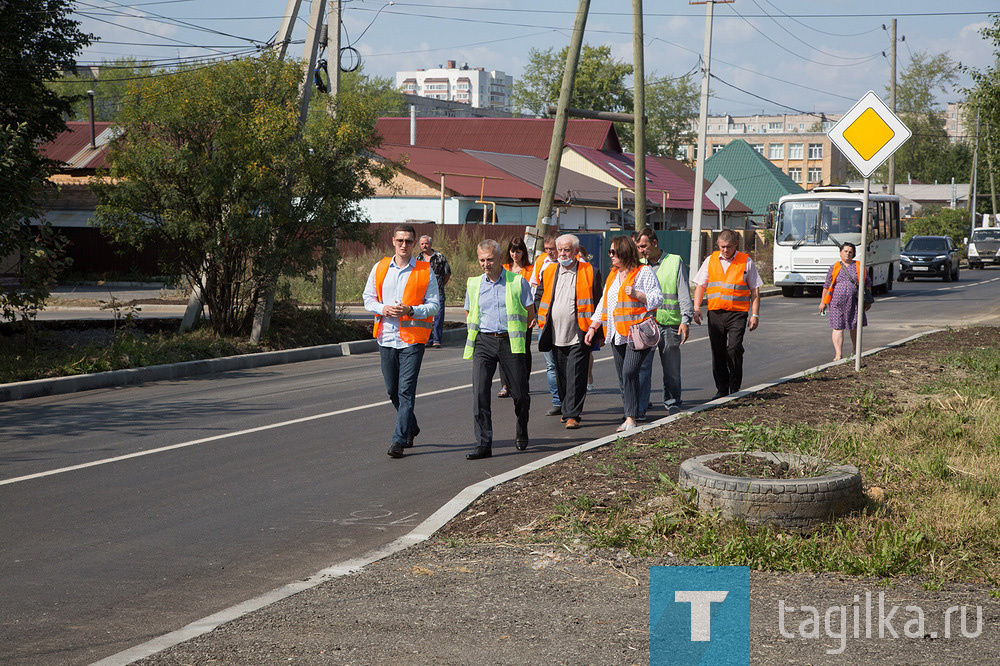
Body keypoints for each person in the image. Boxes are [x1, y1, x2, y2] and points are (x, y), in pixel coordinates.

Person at [363, 224, 440, 458]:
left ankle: (398, 440)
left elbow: (435, 305)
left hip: (412, 341)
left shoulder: (425, 270)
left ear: (414, 243)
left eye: (408, 241)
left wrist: (410, 310)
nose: (404, 245)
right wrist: (383, 308)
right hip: (386, 337)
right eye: (400, 241)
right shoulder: (381, 267)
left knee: (406, 391)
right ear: (393, 241)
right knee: (392, 390)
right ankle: (411, 426)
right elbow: (368, 298)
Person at [463, 240, 534, 460]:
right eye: (482, 260)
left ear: (499, 257)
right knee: (480, 394)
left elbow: (530, 314)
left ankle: (522, 430)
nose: (486, 264)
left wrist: (514, 331)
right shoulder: (474, 284)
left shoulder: (517, 281)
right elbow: (469, 313)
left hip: (509, 342)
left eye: (490, 259)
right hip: (483, 342)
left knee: (520, 394)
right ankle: (483, 443)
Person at [584, 235, 663, 432]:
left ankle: (631, 416)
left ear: (624, 252)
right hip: (616, 334)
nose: (610, 255)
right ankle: (631, 415)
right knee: (623, 377)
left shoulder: (643, 272)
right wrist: (593, 327)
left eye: (613, 252)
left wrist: (637, 294)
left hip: (637, 333)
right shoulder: (612, 274)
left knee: (629, 372)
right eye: (610, 252)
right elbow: (604, 303)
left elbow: (657, 298)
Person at [535, 233, 603, 430]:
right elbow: (540, 295)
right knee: (562, 375)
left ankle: (573, 415)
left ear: (575, 251)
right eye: (560, 250)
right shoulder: (549, 271)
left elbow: (599, 303)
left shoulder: (590, 271)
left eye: (567, 250)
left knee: (576, 375)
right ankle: (567, 409)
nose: (563, 253)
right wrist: (542, 318)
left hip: (580, 333)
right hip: (555, 334)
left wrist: (598, 333)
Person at [692, 229, 762, 399]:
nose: (725, 250)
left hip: (737, 314)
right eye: (722, 247)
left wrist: (755, 315)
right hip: (716, 313)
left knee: (733, 348)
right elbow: (700, 286)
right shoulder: (710, 261)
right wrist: (696, 307)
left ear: (735, 245)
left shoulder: (746, 262)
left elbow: (755, 291)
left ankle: (734, 385)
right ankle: (722, 388)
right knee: (718, 351)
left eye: (728, 247)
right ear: (718, 245)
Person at [634, 228, 694, 418]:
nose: (641, 250)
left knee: (671, 368)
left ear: (655, 243)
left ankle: (672, 402)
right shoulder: (638, 265)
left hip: (669, 324)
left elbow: (683, 292)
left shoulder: (674, 261)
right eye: (638, 247)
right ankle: (641, 407)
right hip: (645, 324)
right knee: (642, 368)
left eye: (643, 246)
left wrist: (686, 320)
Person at [818, 242, 871, 361]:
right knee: (837, 327)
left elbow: (867, 285)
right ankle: (838, 354)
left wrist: (868, 301)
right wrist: (823, 302)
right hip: (837, 303)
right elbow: (827, 286)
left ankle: (855, 350)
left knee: (855, 326)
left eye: (850, 251)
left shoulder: (860, 266)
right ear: (840, 253)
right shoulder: (834, 267)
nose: (848, 253)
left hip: (855, 302)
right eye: (845, 251)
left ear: (854, 254)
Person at [529, 231, 562, 416]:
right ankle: (557, 401)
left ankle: (569, 401)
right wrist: (535, 314)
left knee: (565, 365)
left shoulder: (575, 265)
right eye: (547, 249)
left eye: (553, 249)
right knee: (550, 365)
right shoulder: (542, 263)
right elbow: (536, 290)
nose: (550, 252)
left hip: (566, 323)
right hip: (545, 322)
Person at [497, 237, 535, 398]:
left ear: (523, 252)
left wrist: (533, 315)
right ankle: (505, 385)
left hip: (524, 317)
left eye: (518, 251)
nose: (515, 254)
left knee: (523, 351)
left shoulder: (530, 269)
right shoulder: (503, 268)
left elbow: (533, 293)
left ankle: (522, 382)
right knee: (503, 351)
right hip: (505, 317)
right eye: (513, 251)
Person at [419, 235, 451, 348]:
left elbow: (447, 273)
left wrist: (441, 285)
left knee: (438, 316)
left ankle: (437, 339)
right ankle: (428, 338)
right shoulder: (418, 258)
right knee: (425, 315)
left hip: (438, 292)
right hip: (423, 292)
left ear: (430, 244)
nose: (424, 246)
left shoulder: (440, 257)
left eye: (426, 243)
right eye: (422, 244)